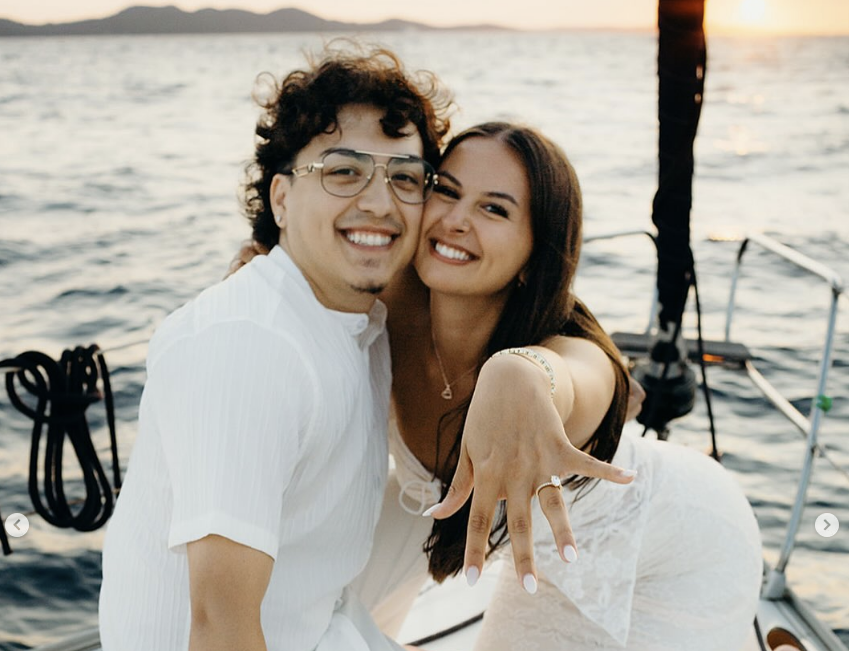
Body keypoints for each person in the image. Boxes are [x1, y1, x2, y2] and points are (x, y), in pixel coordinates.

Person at [235, 121, 762, 649]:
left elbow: (575, 378)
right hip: (493, 541)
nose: (456, 221)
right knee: (287, 613)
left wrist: (522, 374)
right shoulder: (389, 298)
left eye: (494, 209)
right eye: (447, 191)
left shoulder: (571, 354)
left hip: (678, 549)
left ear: (535, 255)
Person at [98, 45, 452, 651]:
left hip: (316, 626)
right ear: (282, 199)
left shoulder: (357, 319)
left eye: (405, 178)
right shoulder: (248, 347)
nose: (379, 202)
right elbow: (220, 628)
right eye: (344, 171)